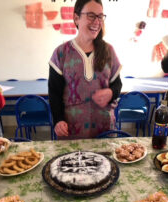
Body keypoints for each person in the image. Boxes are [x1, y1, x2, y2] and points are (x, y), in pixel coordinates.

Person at [48, 0, 122, 139]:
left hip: (104, 131)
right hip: (71, 133)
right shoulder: (61, 53)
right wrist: (58, 120)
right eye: (91, 15)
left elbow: (117, 84)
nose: (97, 21)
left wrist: (111, 92)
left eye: (100, 16)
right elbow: (54, 93)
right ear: (76, 18)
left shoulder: (108, 51)